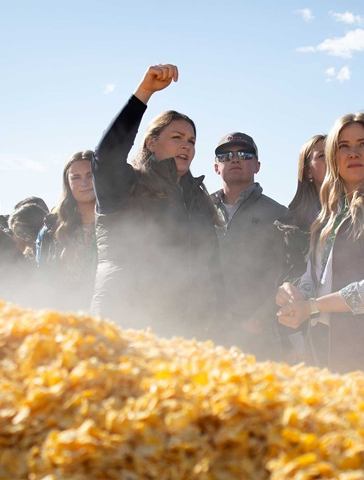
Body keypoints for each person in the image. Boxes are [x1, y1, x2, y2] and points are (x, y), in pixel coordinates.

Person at [276, 113, 364, 382]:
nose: (353, 153)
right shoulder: (332, 212)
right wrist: (296, 293)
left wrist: (313, 307)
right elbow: (317, 279)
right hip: (326, 347)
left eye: (363, 144)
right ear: (333, 156)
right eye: (343, 146)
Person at [92, 64, 223, 340]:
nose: (186, 145)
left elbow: (210, 267)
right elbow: (107, 155)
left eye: (191, 140)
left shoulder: (198, 198)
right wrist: (145, 93)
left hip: (185, 329)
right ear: (151, 144)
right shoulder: (126, 186)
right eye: (176, 138)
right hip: (125, 322)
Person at [210, 132, 288, 360]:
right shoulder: (200, 211)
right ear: (216, 166)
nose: (234, 159)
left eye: (244, 154)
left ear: (257, 165)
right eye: (225, 155)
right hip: (208, 331)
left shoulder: (278, 214)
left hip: (258, 335)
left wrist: (261, 318)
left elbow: (287, 272)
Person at [273, 134, 327, 363]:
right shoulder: (289, 222)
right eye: (322, 156)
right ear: (307, 170)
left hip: (355, 325)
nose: (332, 160)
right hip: (305, 329)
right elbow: (284, 273)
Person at [36, 150, 98, 311]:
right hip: (63, 314)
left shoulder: (118, 221)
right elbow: (43, 278)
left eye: (90, 175)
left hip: (107, 311)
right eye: (75, 177)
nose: (84, 183)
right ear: (68, 184)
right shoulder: (51, 228)